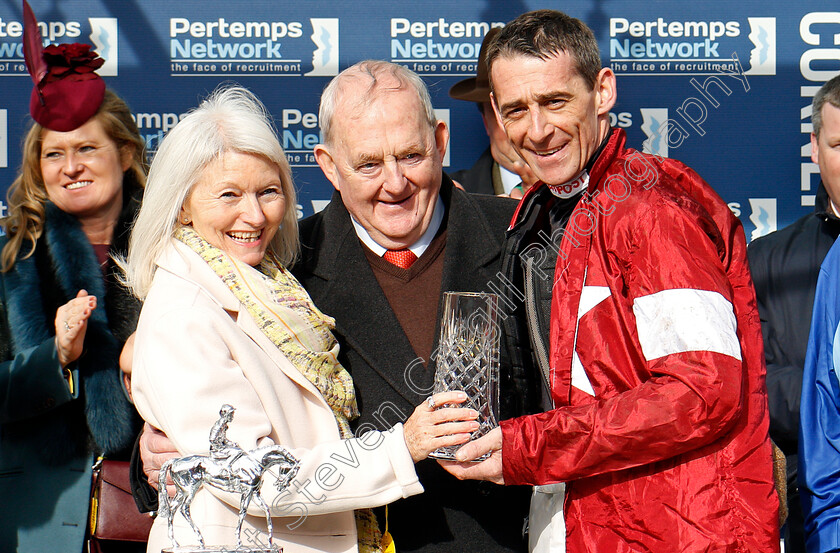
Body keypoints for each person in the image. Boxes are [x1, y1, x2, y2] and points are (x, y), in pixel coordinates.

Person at [134, 61, 532, 552]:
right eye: (367, 164)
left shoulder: (524, 237)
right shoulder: (282, 267)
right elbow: (206, 408)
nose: (395, 183)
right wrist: (153, 455)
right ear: (328, 165)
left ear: (441, 140)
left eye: (411, 155)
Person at [440, 10, 780, 552]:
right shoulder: (537, 211)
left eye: (555, 102)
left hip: (677, 531)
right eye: (516, 110)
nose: (537, 129)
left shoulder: (651, 210)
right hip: (584, 517)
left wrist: (525, 447)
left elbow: (702, 393)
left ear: (602, 91)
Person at [0, 3, 146, 552]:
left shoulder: (176, 253)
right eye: (54, 153)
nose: (71, 166)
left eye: (87, 148)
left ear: (125, 153)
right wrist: (55, 357)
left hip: (155, 512)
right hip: (36, 521)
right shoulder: (11, 262)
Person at [748, 73, 840, 553]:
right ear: (815, 149)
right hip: (811, 520)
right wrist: (826, 394)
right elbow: (747, 381)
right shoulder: (764, 261)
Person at [448, 27, 537, 198]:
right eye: (513, 111)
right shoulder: (450, 200)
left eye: (549, 103)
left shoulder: (599, 192)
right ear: (486, 120)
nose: (534, 128)